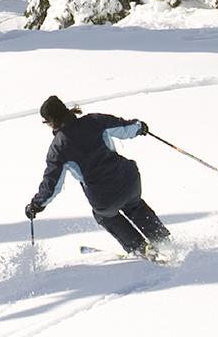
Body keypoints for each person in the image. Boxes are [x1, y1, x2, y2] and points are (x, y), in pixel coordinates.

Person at [24, 94, 172, 256]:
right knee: (134, 205)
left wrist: (36, 205)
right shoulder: (94, 120)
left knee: (105, 216)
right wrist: (139, 127)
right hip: (129, 180)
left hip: (104, 198)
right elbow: (125, 128)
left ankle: (141, 249)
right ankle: (164, 243)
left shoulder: (58, 148)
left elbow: (51, 185)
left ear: (51, 121)